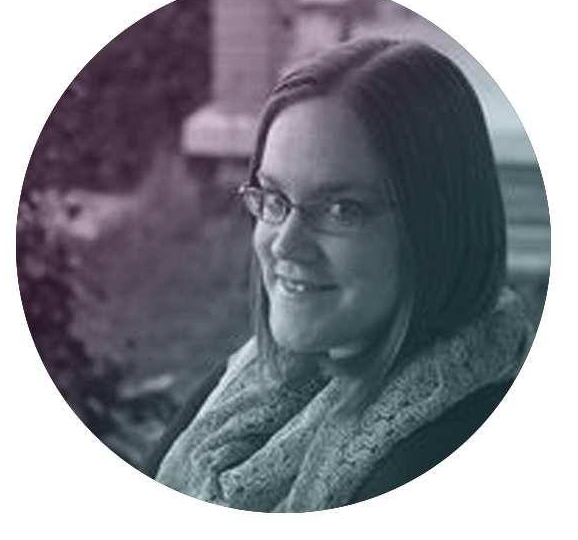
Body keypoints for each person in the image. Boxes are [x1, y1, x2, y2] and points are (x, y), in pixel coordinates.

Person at [144, 37, 533, 512]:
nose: (284, 244)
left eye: (341, 209)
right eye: (273, 198)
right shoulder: (251, 377)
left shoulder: (444, 458)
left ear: (437, 225)